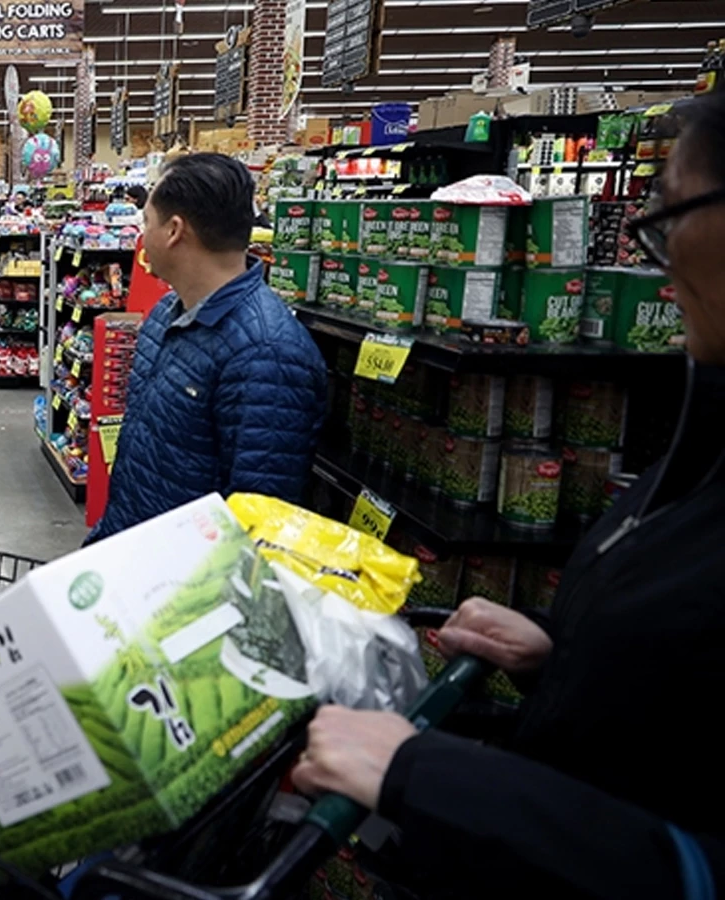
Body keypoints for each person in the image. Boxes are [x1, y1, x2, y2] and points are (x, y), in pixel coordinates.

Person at [291, 91, 725, 900]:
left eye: (673, 217)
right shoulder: (705, 432)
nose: (654, 262)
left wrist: (425, 773)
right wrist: (563, 661)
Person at [88, 153, 326, 542]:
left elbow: (257, 522)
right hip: (132, 559)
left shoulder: (268, 355)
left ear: (174, 231)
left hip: (182, 589)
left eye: (146, 221)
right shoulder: (167, 312)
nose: (141, 234)